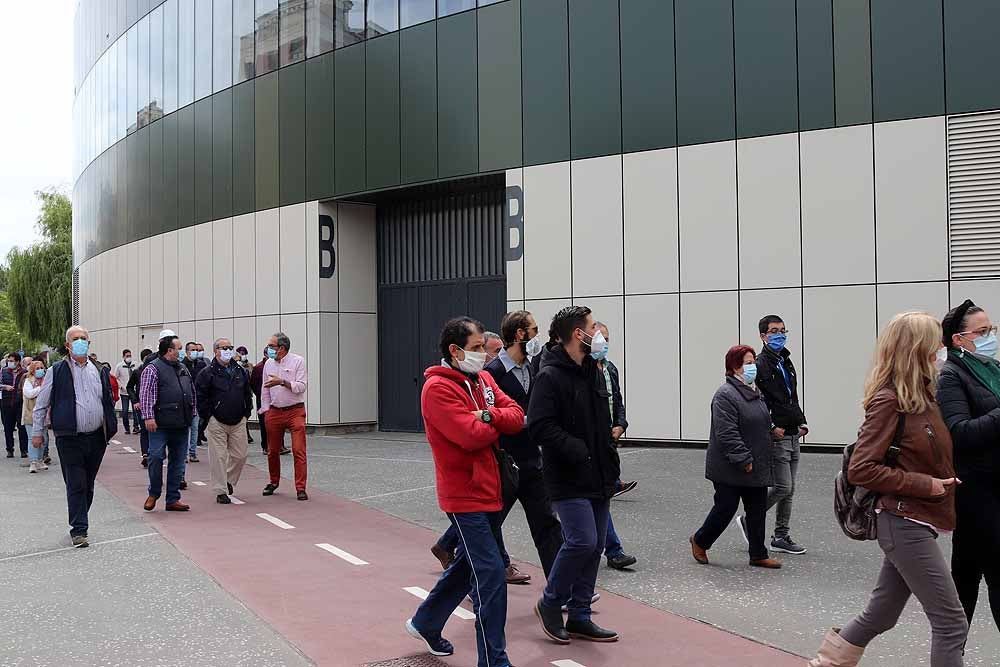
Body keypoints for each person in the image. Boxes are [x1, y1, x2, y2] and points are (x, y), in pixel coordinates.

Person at [808, 312, 967, 667]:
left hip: (917, 520)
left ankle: (827, 663)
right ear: (916, 349)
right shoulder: (889, 401)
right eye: (934, 342)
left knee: (882, 614)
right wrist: (924, 484)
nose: (940, 349)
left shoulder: (925, 396)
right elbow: (861, 468)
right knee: (951, 622)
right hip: (903, 521)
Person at [405, 316, 524, 667]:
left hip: (491, 488)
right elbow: (469, 435)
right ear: (455, 350)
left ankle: (425, 622)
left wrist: (486, 416)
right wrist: (493, 420)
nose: (483, 356)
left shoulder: (484, 379)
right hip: (463, 494)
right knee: (489, 571)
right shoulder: (437, 389)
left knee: (466, 565)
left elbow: (517, 415)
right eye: (476, 349)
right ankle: (493, 660)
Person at [433, 310, 565, 585]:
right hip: (503, 464)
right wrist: (498, 420)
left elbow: (514, 413)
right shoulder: (490, 373)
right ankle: (460, 560)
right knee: (490, 527)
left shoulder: (532, 368)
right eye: (534, 329)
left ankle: (562, 588)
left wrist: (493, 416)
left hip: (531, 459)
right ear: (520, 334)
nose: (537, 336)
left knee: (546, 523)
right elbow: (473, 429)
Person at [529, 305, 620, 644]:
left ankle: (580, 614)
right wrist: (576, 449)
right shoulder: (550, 376)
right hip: (567, 476)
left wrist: (608, 461)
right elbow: (538, 426)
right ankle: (551, 603)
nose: (598, 333)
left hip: (598, 474)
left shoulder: (593, 371)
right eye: (592, 327)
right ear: (577, 334)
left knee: (594, 546)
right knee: (582, 540)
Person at [937, 299, 1000, 633]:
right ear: (958, 340)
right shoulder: (951, 376)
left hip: (992, 489)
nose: (990, 336)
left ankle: (950, 649)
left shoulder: (990, 368)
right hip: (977, 492)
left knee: (966, 575)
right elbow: (959, 432)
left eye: (992, 330)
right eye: (983, 331)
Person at [690, 345, 780, 570]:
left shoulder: (753, 391)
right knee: (725, 508)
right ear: (734, 367)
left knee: (757, 510)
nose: (753, 367)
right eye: (748, 363)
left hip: (755, 462)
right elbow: (726, 432)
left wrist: (772, 430)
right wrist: (743, 459)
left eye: (753, 362)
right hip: (731, 466)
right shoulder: (725, 395)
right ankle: (700, 540)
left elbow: (758, 420)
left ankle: (758, 554)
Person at [31, 326, 119, 547]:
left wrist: (111, 425)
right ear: (68, 345)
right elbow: (41, 405)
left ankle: (80, 516)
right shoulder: (56, 370)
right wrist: (37, 433)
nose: (80, 342)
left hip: (97, 437)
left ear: (89, 343)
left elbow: (107, 399)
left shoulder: (99, 370)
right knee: (76, 483)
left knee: (88, 484)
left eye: (84, 339)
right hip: (69, 437)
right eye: (75, 339)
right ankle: (79, 529)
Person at [748, 314, 809, 555]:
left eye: (783, 330)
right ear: (763, 336)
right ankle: (750, 518)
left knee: (790, 490)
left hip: (793, 431)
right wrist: (772, 426)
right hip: (778, 435)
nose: (779, 335)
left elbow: (790, 396)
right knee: (783, 486)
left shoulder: (786, 361)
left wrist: (801, 420)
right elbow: (756, 400)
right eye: (774, 331)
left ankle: (781, 536)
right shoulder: (759, 365)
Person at [593, 322, 638, 571]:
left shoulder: (610, 368)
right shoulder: (583, 372)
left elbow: (618, 400)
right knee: (594, 499)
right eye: (600, 338)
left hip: (608, 441)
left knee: (600, 498)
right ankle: (612, 549)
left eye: (607, 339)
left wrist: (621, 424)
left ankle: (610, 549)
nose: (604, 343)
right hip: (590, 443)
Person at [140, 333, 195, 512]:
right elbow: (146, 394)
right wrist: (148, 416)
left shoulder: (183, 368)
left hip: (181, 423)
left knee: (178, 462)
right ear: (169, 350)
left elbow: (190, 390)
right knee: (155, 457)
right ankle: (154, 492)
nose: (181, 351)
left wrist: (193, 412)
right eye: (179, 348)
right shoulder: (152, 368)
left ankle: (172, 499)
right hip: (160, 424)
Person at [196, 338, 253, 505]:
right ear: (216, 351)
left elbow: (247, 392)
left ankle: (228, 479)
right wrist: (208, 416)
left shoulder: (239, 371)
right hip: (217, 421)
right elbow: (201, 397)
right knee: (219, 457)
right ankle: (220, 490)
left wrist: (246, 413)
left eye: (230, 347)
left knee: (240, 455)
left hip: (238, 419)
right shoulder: (207, 373)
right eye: (224, 348)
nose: (228, 350)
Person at [259, 333, 309, 500]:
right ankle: (274, 482)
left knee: (298, 450)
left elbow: (301, 387)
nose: (268, 349)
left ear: (281, 348)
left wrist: (282, 382)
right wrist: (265, 409)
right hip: (274, 411)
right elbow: (264, 389)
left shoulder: (298, 361)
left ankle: (300, 487)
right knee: (272, 451)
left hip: (295, 411)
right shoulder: (268, 364)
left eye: (271, 346)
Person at [182, 341, 208, 463]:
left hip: (198, 400)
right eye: (192, 350)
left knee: (195, 428)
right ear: (187, 352)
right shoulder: (182, 365)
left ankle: (193, 452)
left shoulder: (201, 364)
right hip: (186, 401)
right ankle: (185, 453)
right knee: (186, 429)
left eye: (197, 350)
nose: (195, 352)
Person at [22, 361, 49, 474]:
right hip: (30, 414)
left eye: (42, 368)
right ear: (32, 370)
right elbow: (29, 393)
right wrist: (41, 389)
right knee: (32, 438)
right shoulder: (28, 381)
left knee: (43, 439)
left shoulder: (47, 380)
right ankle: (33, 462)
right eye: (37, 368)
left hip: (44, 415)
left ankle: (40, 460)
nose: (40, 370)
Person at [128, 348, 154, 467]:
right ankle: (145, 454)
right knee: (144, 429)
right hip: (141, 405)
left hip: (153, 405)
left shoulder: (155, 370)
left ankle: (152, 453)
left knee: (153, 430)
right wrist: (135, 401)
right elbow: (130, 387)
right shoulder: (137, 371)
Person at [1, 352, 28, 459]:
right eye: (9, 361)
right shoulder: (3, 371)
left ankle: (24, 450)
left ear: (17, 362)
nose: (10, 363)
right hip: (6, 403)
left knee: (22, 427)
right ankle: (10, 449)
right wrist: (4, 387)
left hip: (20, 403)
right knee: (8, 427)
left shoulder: (24, 373)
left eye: (12, 361)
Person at [114, 349, 136, 433]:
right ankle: (127, 428)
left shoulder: (135, 365)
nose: (129, 358)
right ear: (123, 357)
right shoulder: (119, 366)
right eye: (127, 356)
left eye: (130, 356)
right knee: (125, 411)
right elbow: (115, 378)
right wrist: (121, 386)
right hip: (124, 392)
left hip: (133, 391)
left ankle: (136, 427)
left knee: (135, 410)